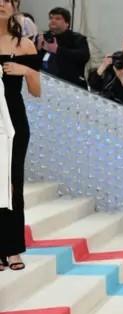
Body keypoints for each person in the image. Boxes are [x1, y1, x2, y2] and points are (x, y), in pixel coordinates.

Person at [0, 0, 42, 274]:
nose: (1, 4)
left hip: (13, 120)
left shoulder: (25, 45)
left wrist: (25, 70)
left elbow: (36, 90)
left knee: (13, 182)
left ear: (15, 6)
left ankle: (12, 247)